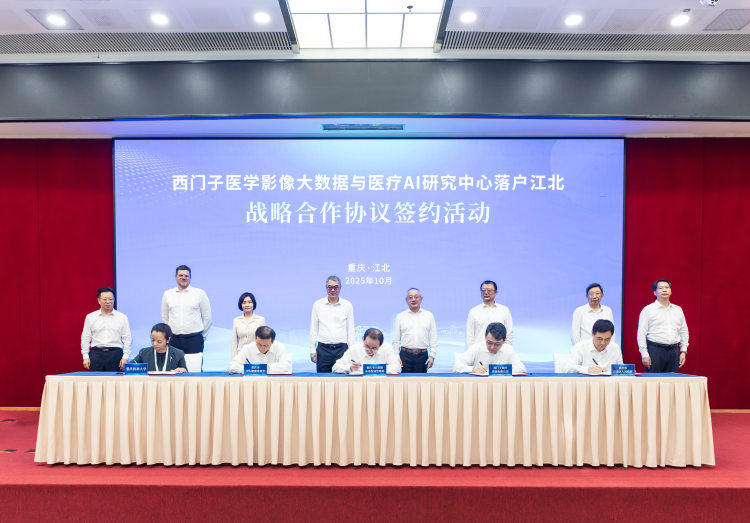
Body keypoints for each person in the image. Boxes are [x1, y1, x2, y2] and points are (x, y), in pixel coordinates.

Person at [637, 279, 689, 373]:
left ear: (671, 291)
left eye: (667, 287)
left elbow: (683, 331)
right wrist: (644, 354)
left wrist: (683, 351)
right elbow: (641, 333)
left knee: (672, 381)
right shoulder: (648, 310)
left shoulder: (678, 310)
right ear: (654, 292)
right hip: (655, 351)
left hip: (674, 351)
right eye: (660, 288)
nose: (664, 290)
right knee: (654, 381)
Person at [161, 264, 212, 356]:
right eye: (180, 275)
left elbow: (207, 317)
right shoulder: (167, 294)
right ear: (175, 277)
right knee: (173, 365)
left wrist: (202, 336)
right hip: (174, 340)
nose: (183, 278)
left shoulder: (200, 293)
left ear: (190, 277)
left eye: (186, 276)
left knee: (194, 365)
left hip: (194, 340)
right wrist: (170, 335)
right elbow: (165, 317)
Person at [310, 275, 355, 373]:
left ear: (340, 288)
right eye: (330, 287)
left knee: (343, 380)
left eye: (336, 287)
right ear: (326, 288)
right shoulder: (318, 305)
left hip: (342, 349)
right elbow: (313, 328)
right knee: (322, 380)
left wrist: (352, 351)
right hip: (323, 349)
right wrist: (312, 349)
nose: (333, 290)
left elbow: (351, 330)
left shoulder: (347, 305)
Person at [81, 286, 132, 371]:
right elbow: (85, 338)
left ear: (114, 300)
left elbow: (127, 339)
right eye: (105, 299)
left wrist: (125, 357)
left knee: (115, 379)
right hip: (96, 354)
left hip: (115, 354)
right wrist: (85, 357)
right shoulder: (90, 317)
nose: (108, 302)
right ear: (99, 300)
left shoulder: (122, 317)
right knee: (96, 379)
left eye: (110, 299)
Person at [453, 322, 526, 375]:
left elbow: (522, 368)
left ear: (504, 341)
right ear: (485, 337)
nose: (492, 347)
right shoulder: (476, 347)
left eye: (497, 344)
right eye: (489, 343)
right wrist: (473, 369)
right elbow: (457, 366)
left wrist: (502, 369)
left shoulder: (508, 349)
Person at [393, 288, 437, 373]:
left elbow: (433, 338)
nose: (413, 299)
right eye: (410, 297)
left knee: (421, 381)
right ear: (406, 300)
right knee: (403, 381)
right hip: (404, 356)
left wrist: (432, 356)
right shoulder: (400, 316)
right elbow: (396, 340)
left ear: (421, 299)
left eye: (416, 297)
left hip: (422, 356)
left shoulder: (429, 315)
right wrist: (396, 357)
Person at [466, 280, 513, 348]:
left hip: (498, 351)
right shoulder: (474, 311)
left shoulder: (504, 310)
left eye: (489, 290)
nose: (486, 293)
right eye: (483, 290)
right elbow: (469, 337)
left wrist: (506, 351)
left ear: (496, 292)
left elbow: (509, 334)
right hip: (479, 351)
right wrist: (471, 352)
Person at [332, 328, 401, 375]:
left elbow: (397, 367)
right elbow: (335, 367)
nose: (369, 351)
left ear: (381, 345)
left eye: (374, 348)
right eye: (367, 346)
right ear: (363, 339)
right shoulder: (354, 349)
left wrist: (376, 369)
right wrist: (349, 368)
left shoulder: (387, 349)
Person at [230, 292, 266, 359]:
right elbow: (234, 342)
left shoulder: (260, 320)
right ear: (241, 305)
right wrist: (234, 359)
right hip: (241, 355)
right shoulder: (236, 320)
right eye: (244, 302)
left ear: (253, 304)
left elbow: (264, 340)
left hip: (256, 355)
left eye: (250, 302)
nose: (247, 305)